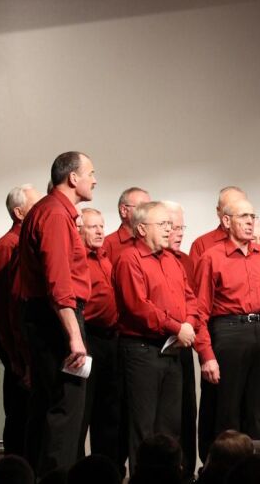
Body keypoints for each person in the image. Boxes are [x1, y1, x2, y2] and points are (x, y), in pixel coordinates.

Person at [19, 151, 96, 477]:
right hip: (55, 320)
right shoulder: (52, 214)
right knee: (65, 409)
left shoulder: (53, 212)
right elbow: (58, 283)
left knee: (52, 407)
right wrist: (74, 336)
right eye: (91, 173)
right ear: (73, 177)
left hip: (49, 317)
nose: (94, 179)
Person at [194, 197, 260, 453]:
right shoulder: (211, 258)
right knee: (227, 409)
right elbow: (199, 312)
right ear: (226, 221)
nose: (250, 222)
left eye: (253, 216)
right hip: (229, 331)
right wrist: (206, 355)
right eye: (243, 216)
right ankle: (225, 468)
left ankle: (256, 469)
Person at [113, 201, 199, 472]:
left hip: (172, 350)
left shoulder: (172, 260)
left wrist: (189, 323)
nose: (169, 229)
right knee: (144, 426)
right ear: (140, 228)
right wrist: (177, 328)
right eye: (162, 224)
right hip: (142, 351)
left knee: (170, 425)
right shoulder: (129, 260)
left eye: (170, 224)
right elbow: (138, 306)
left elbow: (190, 298)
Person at [0, 184, 40, 455]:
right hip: (17, 349)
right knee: (20, 416)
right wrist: (18, 360)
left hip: (28, 348)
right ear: (19, 213)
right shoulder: (6, 248)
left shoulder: (27, 244)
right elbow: (4, 308)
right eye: (35, 205)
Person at [77, 208, 121, 468]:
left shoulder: (104, 258)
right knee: (84, 411)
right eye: (93, 227)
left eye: (102, 226)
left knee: (109, 412)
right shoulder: (78, 260)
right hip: (88, 338)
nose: (100, 231)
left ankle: (108, 470)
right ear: (79, 230)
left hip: (110, 340)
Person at [163, 200, 198, 479]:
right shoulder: (140, 259)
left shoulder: (185, 260)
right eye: (173, 227)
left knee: (187, 411)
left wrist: (188, 325)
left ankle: (186, 471)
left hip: (183, 343)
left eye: (181, 227)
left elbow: (193, 301)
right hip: (153, 346)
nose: (179, 232)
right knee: (164, 417)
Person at [190, 186, 247, 266]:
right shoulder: (201, 245)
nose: (235, 213)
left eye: (241, 209)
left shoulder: (256, 242)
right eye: (230, 208)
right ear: (218, 211)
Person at [103, 187, 150, 264]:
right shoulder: (106, 245)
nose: (148, 212)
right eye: (142, 207)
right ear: (124, 210)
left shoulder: (153, 241)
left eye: (149, 208)